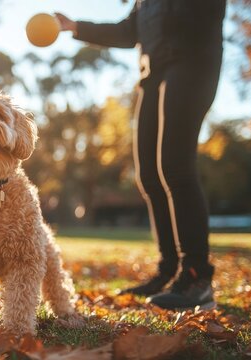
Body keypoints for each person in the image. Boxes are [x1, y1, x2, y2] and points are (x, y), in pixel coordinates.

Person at [55, 0, 226, 310]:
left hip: (192, 64)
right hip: (153, 74)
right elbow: (128, 30)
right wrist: (76, 27)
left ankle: (197, 276)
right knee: (148, 175)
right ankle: (168, 270)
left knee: (175, 167)